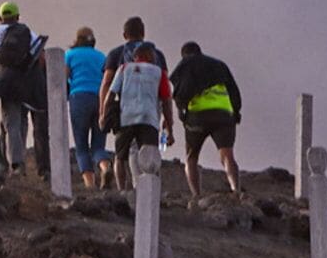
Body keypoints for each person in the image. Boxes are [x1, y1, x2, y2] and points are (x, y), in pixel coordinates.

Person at [0, 3, 48, 177]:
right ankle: (18, 160)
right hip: (27, 83)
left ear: (0, 18)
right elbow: (41, 58)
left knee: (11, 122)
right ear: (18, 17)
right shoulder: (27, 32)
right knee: (22, 121)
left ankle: (17, 164)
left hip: (6, 83)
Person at [170, 42, 246, 194]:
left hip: (197, 116)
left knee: (191, 157)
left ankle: (196, 195)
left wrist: (182, 113)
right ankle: (235, 190)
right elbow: (234, 91)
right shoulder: (220, 65)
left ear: (184, 54)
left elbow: (180, 93)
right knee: (227, 155)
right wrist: (236, 113)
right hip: (223, 115)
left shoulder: (184, 65)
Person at [107, 38, 176, 187]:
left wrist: (104, 114)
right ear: (149, 55)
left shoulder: (124, 68)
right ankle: (149, 189)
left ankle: (122, 190)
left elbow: (111, 93)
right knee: (150, 155)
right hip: (149, 119)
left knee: (120, 157)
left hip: (126, 118)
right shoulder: (158, 72)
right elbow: (166, 101)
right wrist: (170, 129)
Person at [62, 26, 111, 181]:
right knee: (98, 145)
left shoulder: (69, 55)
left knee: (81, 145)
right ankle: (105, 167)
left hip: (79, 98)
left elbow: (64, 78)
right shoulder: (101, 57)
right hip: (99, 98)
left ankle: (90, 184)